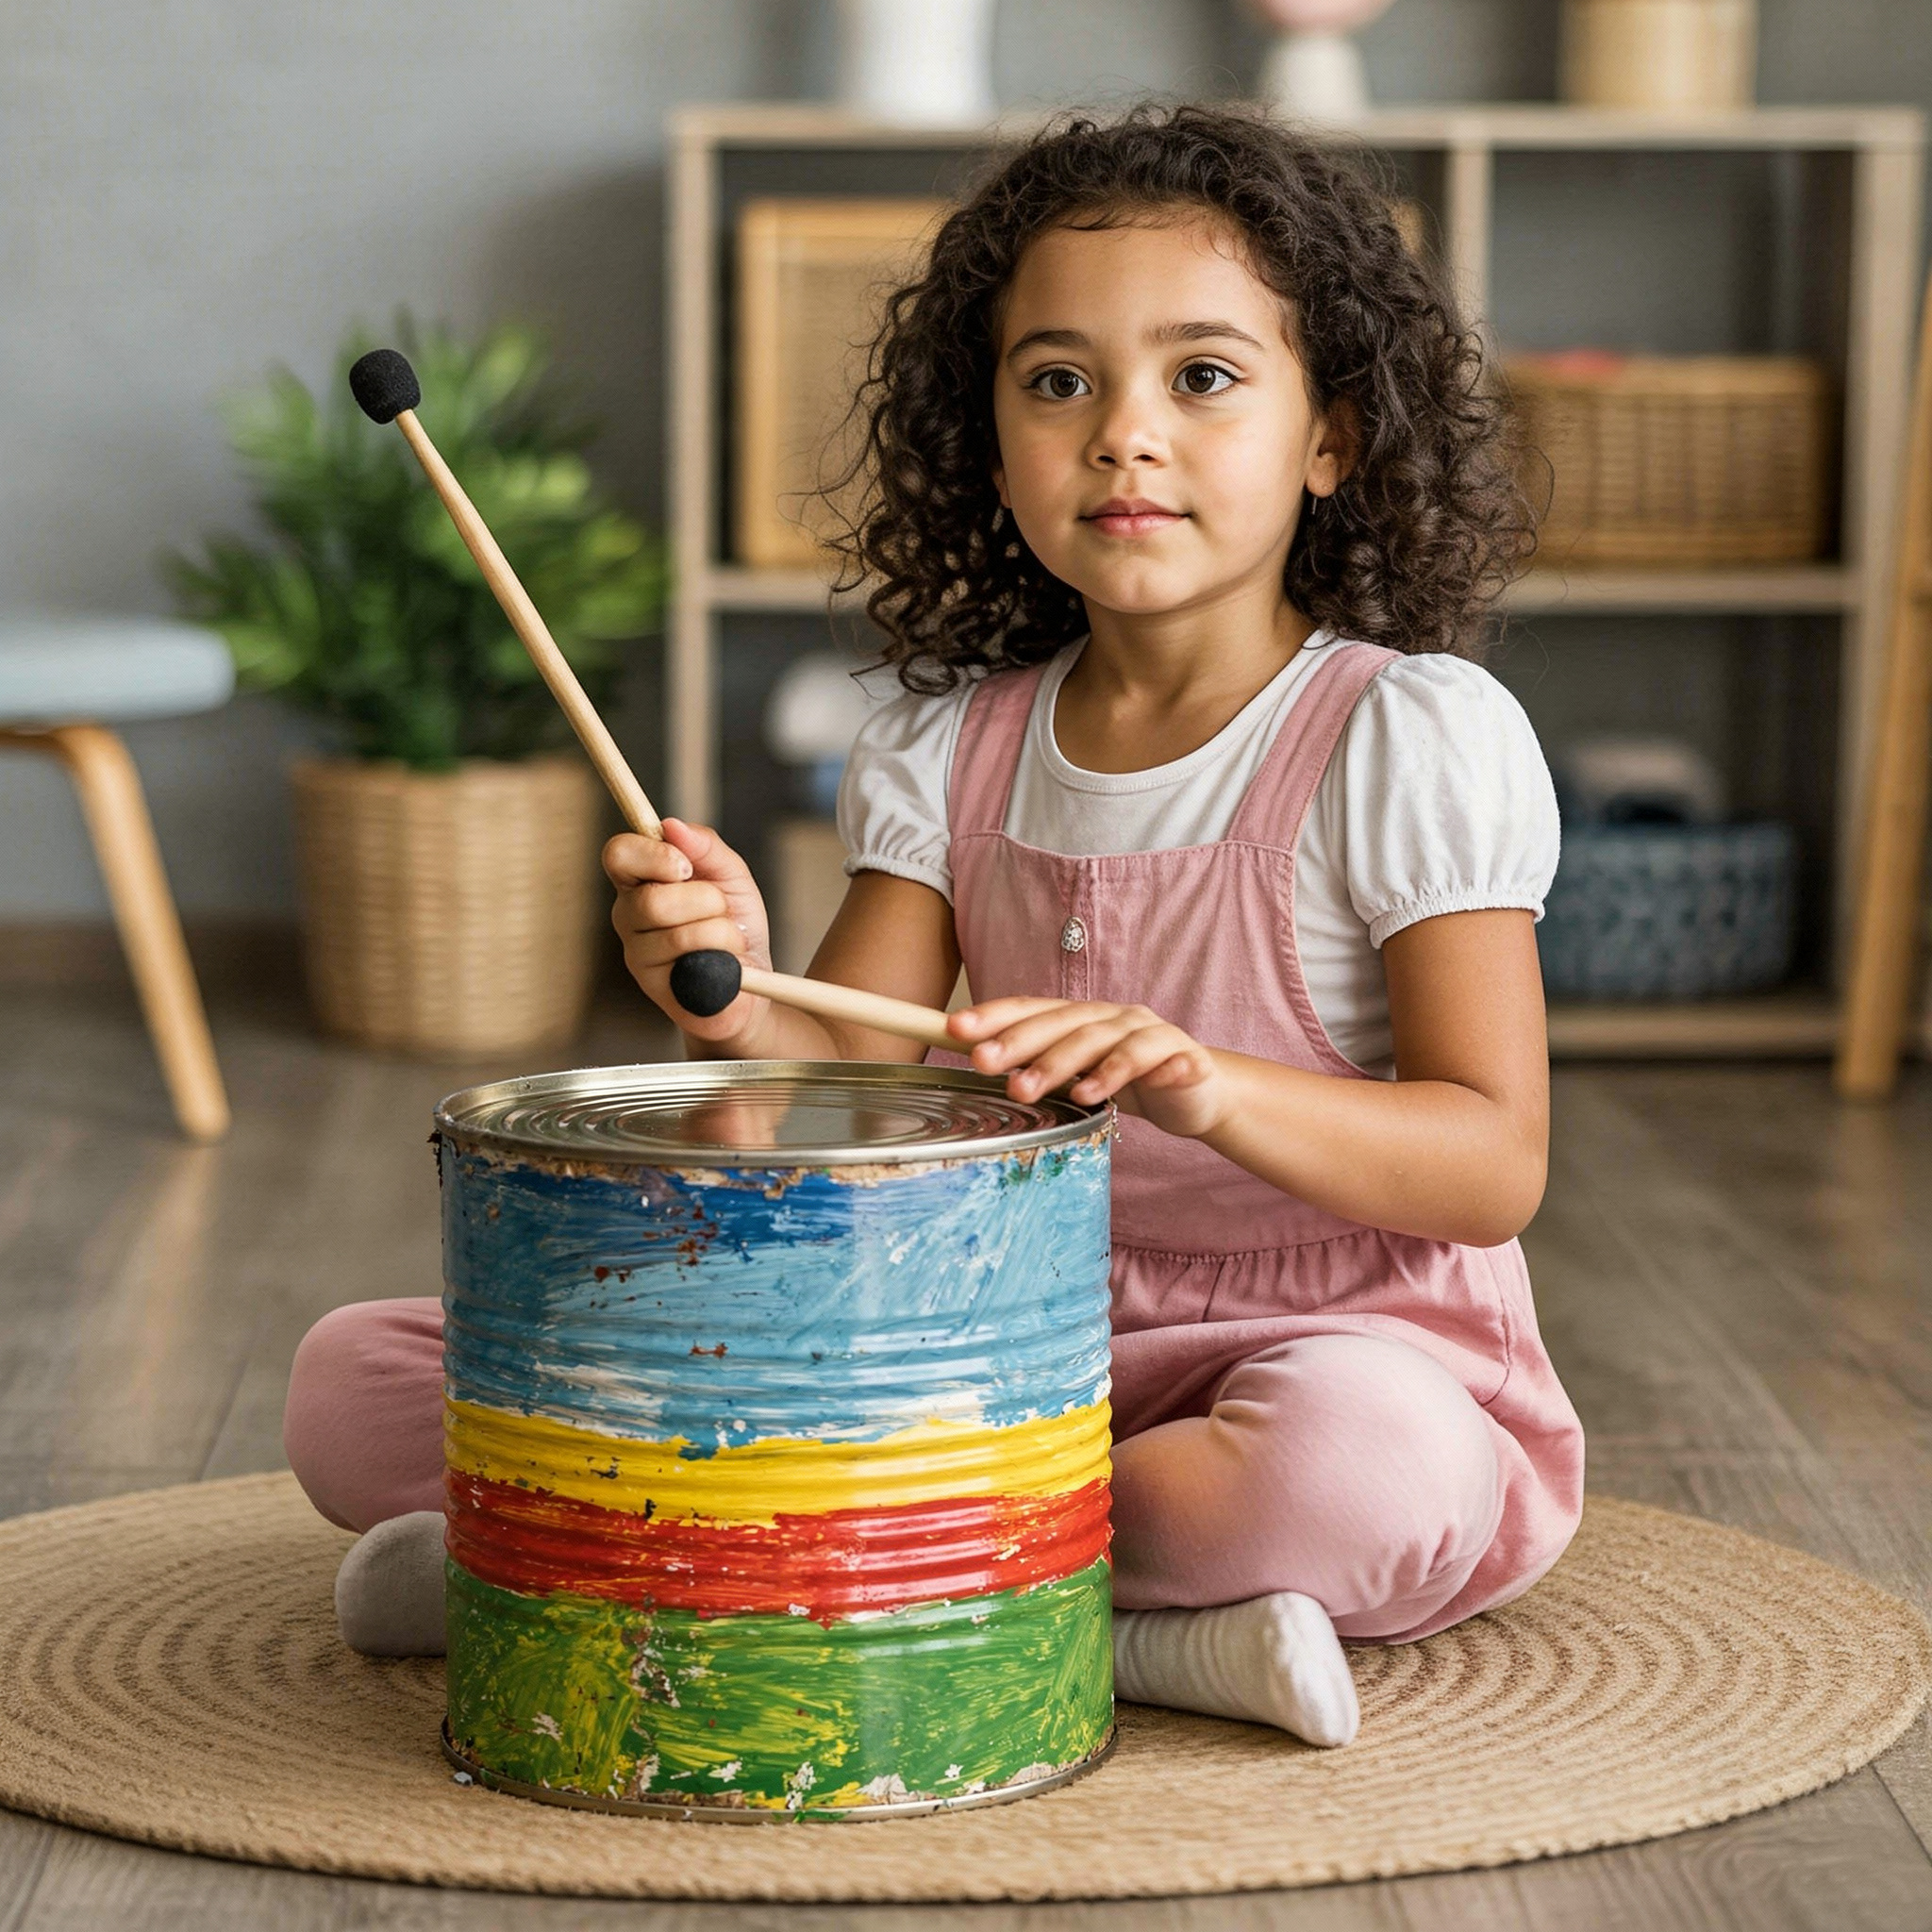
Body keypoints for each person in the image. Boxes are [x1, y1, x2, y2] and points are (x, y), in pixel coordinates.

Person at [285, 100, 1582, 1748]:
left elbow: (1490, 1161)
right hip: (959, 1334)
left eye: (1202, 376)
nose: (1125, 433)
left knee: (1358, 1469)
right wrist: (732, 988)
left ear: (1330, 434)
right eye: (1059, 381)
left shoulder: (1405, 734)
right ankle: (1048, 1589)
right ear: (989, 441)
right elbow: (831, 1087)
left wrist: (1206, 1083)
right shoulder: (948, 745)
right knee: (359, 1380)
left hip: (1321, 1342)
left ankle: (662, 1563)